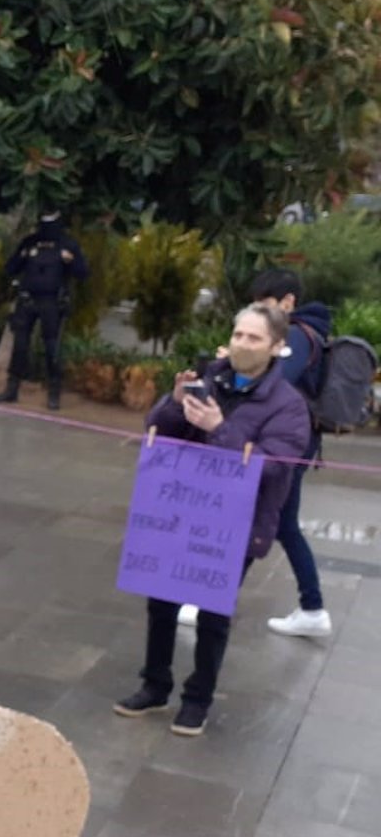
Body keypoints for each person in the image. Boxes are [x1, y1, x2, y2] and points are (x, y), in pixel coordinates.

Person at [114, 303, 311, 737]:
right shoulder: (208, 380)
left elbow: (275, 467)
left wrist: (221, 429)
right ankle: (154, 684)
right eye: (238, 334)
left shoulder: (289, 406)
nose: (242, 344)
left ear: (277, 347)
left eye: (254, 338)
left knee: (213, 613)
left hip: (235, 523)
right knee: (161, 600)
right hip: (182, 509)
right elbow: (160, 430)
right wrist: (174, 403)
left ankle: (197, 699)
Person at [251, 268, 335, 640]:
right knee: (281, 523)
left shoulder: (298, 336)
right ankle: (312, 608)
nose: (259, 311)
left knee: (263, 517)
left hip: (289, 444)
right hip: (293, 443)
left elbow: (276, 381)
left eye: (265, 303)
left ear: (288, 302)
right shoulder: (301, 332)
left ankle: (211, 599)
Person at [0, 211, 88, 410]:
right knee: (20, 346)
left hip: (52, 302)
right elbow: (10, 268)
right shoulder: (30, 243)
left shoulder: (67, 244)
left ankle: (54, 393)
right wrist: (22, 257)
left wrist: (70, 261)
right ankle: (12, 388)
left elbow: (83, 273)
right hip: (27, 300)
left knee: (52, 348)